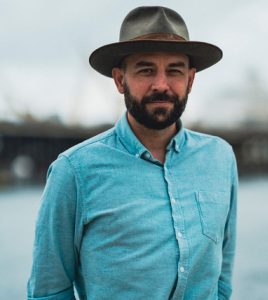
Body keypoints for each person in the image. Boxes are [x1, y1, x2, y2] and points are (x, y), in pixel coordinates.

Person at [27, 6, 238, 300]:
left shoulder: (220, 158)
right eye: (146, 70)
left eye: (174, 70)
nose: (161, 85)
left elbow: (222, 277)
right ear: (119, 80)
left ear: (190, 80)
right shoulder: (74, 171)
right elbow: (49, 290)